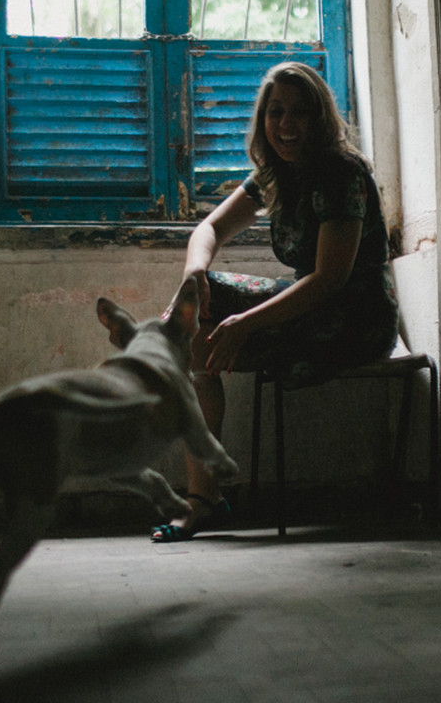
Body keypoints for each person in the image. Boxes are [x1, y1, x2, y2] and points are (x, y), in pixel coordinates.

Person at [151, 61, 399, 542]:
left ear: (320, 118)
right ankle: (205, 499)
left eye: (300, 112)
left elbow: (330, 280)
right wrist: (194, 275)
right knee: (189, 327)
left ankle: (202, 501)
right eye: (276, 111)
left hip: (356, 318)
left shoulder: (341, 173)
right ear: (263, 118)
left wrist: (245, 323)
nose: (286, 124)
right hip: (312, 305)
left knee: (200, 335)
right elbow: (209, 228)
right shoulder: (274, 173)